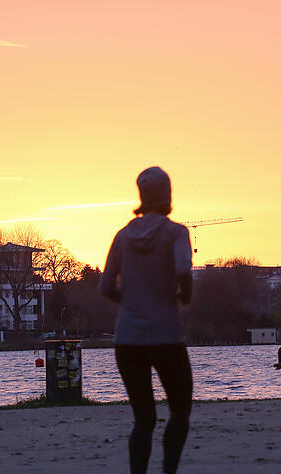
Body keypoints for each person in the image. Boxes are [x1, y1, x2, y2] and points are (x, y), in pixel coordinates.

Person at [100, 166, 194, 474]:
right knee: (180, 410)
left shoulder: (122, 236)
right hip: (167, 336)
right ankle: (169, 470)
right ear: (167, 195)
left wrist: (130, 302)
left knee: (143, 419)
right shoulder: (176, 232)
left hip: (127, 339)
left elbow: (105, 286)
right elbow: (182, 270)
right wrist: (184, 296)